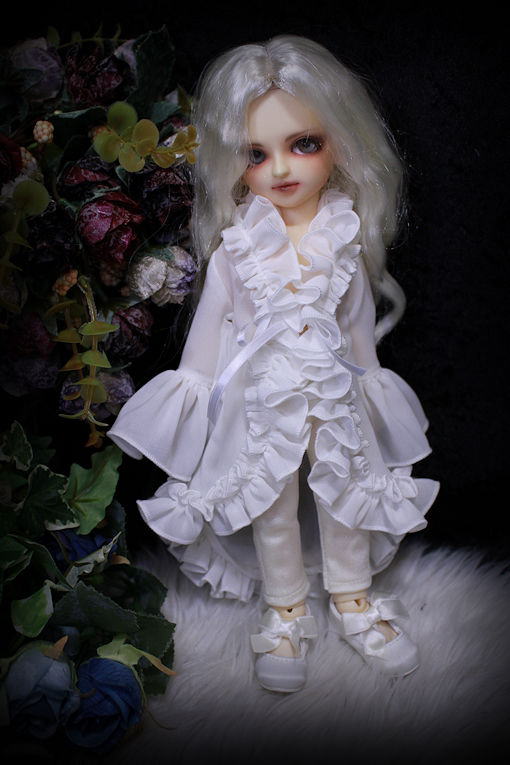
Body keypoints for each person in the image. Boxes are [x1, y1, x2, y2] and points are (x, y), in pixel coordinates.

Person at [108, 35, 439, 693]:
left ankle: (352, 595)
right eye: (256, 154)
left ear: (340, 143)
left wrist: (375, 404)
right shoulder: (238, 250)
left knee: (344, 488)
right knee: (270, 499)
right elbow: (207, 337)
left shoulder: (344, 238)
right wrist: (194, 404)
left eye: (303, 144)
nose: (281, 168)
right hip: (258, 399)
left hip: (336, 395)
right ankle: (285, 608)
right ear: (234, 163)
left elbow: (358, 334)